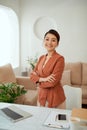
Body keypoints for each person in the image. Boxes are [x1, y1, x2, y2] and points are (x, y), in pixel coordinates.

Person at [30, 29, 66, 109]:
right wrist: (44, 79)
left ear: (57, 44)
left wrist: (38, 81)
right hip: (41, 97)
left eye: (53, 40)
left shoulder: (60, 59)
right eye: (47, 39)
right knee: (41, 120)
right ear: (43, 41)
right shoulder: (41, 58)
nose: (49, 42)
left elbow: (53, 82)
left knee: (53, 121)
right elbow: (32, 76)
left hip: (55, 98)